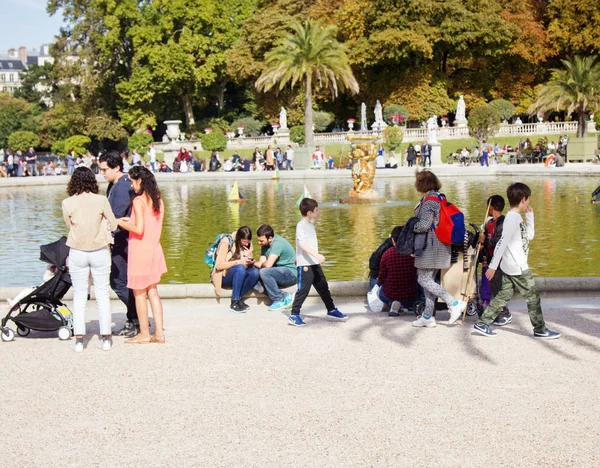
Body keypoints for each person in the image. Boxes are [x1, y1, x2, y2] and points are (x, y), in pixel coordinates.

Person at [475, 183, 561, 339]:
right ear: (523, 199)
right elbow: (502, 242)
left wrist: (530, 216)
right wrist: (493, 266)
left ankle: (483, 323)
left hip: (511, 265)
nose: (528, 202)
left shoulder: (515, 218)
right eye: (528, 200)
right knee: (533, 296)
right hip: (518, 266)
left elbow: (529, 236)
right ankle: (540, 329)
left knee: (503, 296)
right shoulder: (511, 219)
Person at [62, 167, 117, 352]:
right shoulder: (101, 200)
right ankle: (106, 337)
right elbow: (115, 224)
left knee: (79, 296)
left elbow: (69, 227)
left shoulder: (67, 203)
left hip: (78, 251)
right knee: (102, 294)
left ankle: (79, 338)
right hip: (99, 249)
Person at [117, 166, 167, 344]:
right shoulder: (158, 200)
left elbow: (138, 228)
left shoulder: (139, 201)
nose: (131, 186)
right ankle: (159, 333)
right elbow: (150, 225)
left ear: (139, 180)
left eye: (132, 181)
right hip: (154, 248)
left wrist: (120, 222)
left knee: (139, 294)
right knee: (153, 292)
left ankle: (144, 333)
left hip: (140, 250)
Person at [412, 170, 467, 328]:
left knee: (423, 279)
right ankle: (428, 316)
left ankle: (454, 303)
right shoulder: (438, 196)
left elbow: (423, 225)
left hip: (431, 247)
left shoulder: (430, 201)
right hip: (439, 246)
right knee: (428, 280)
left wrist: (409, 228)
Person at [288, 198, 348, 326]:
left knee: (323, 286)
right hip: (305, 264)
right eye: (316, 210)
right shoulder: (301, 225)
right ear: (309, 213)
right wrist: (315, 255)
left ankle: (331, 309)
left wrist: (300, 256)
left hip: (313, 262)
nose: (318, 212)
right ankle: (294, 314)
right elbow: (302, 243)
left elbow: (304, 244)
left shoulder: (310, 224)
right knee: (303, 289)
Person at [98, 151, 139, 337]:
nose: (102, 173)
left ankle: (137, 317)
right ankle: (133, 318)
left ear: (116, 167)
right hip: (120, 240)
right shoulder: (115, 184)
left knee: (119, 282)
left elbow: (115, 215)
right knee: (122, 282)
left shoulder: (122, 187)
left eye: (105, 169)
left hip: (123, 241)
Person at [478, 195, 512, 326]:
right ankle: (498, 311)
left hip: (501, 261)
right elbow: (486, 240)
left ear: (492, 207)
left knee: (499, 286)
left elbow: (499, 241)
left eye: (488, 207)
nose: (487, 210)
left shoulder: (503, 223)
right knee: (492, 286)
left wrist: (485, 241)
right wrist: (482, 247)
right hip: (491, 260)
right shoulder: (489, 223)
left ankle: (505, 312)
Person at [212, 226, 260, 313]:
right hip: (223, 275)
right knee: (240, 268)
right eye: (244, 242)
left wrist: (249, 256)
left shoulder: (248, 244)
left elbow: (247, 265)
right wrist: (238, 262)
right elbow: (218, 266)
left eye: (248, 242)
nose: (246, 244)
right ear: (239, 239)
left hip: (239, 273)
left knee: (255, 272)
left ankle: (238, 298)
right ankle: (234, 302)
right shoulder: (226, 242)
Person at [254, 224, 297, 311]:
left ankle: (278, 300)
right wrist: (253, 263)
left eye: (261, 241)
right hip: (277, 272)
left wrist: (258, 264)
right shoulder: (265, 245)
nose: (259, 243)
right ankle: (284, 295)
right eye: (258, 240)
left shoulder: (278, 244)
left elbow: (268, 265)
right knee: (253, 277)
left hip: (291, 274)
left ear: (270, 238)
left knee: (264, 272)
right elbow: (262, 261)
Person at [377, 226, 418, 316]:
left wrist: (379, 282)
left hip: (391, 294)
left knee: (379, 292)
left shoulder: (387, 254)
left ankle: (393, 304)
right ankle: (402, 305)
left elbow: (381, 277)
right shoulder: (413, 254)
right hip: (410, 295)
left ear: (393, 240)